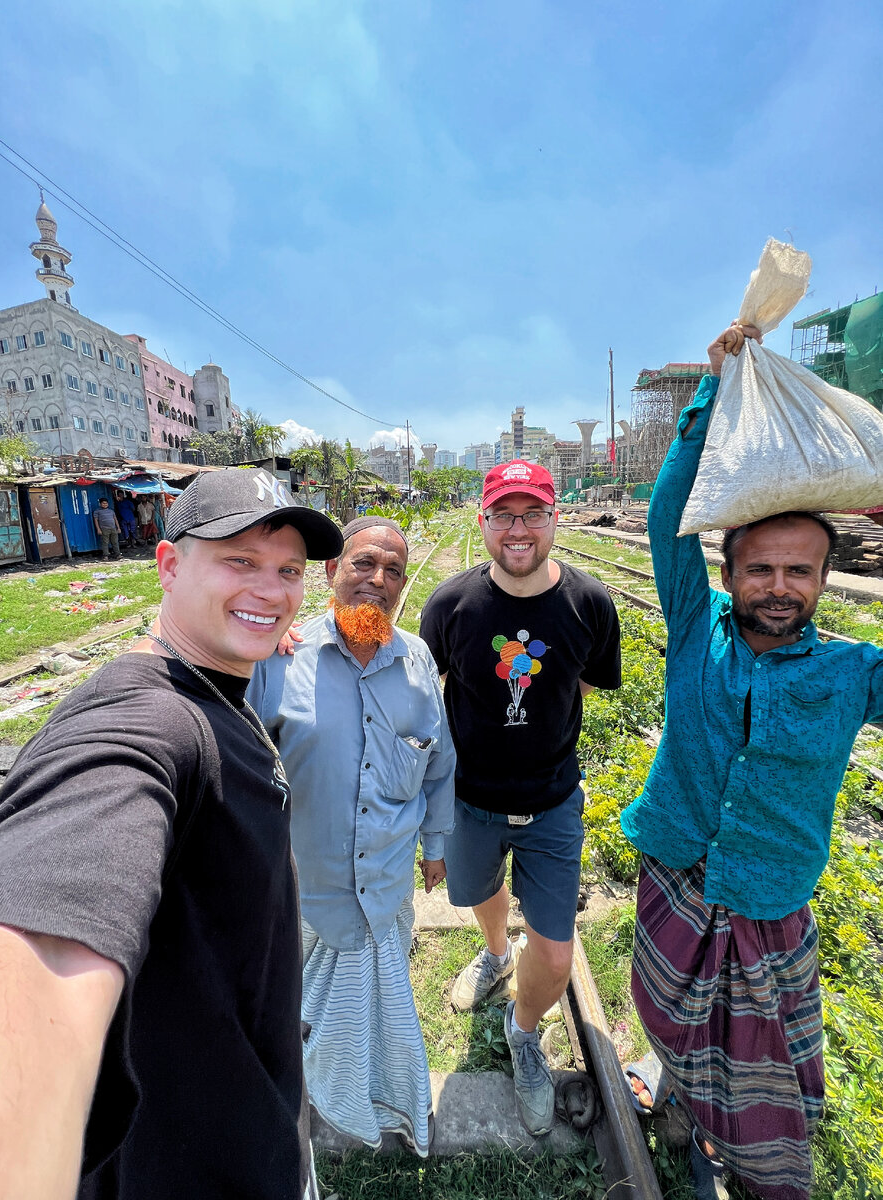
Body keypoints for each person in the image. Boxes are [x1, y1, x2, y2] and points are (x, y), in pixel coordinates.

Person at [0, 467, 343, 1199]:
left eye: (288, 571)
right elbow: (43, 936)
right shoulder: (148, 721)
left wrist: (250, 625)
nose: (271, 591)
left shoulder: (212, 684)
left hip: (247, 1123)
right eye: (239, 562)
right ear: (169, 566)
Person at [620, 324, 883, 1200]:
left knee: (757, 1067)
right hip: (678, 876)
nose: (779, 586)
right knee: (671, 1019)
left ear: (823, 579)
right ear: (728, 575)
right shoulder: (698, 634)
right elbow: (668, 518)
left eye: (799, 571)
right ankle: (687, 1111)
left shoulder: (855, 671)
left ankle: (735, 1150)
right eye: (760, 568)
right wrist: (711, 393)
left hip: (770, 904)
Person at [419, 462, 621, 1135]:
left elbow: (582, 685)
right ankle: (497, 953)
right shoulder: (449, 606)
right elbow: (425, 689)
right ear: (483, 522)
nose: (518, 529)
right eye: (503, 514)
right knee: (480, 893)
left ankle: (524, 1031)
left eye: (532, 513)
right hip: (471, 800)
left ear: (555, 518)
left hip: (554, 802)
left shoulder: (591, 603)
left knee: (557, 955)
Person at [249, 516, 455, 1157]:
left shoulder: (418, 661)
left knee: (381, 1006)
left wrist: (437, 847)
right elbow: (241, 763)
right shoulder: (280, 658)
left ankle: (373, 1102)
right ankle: (309, 1100)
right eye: (364, 563)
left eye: (394, 570)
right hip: (307, 889)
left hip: (387, 886)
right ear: (332, 571)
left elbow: (439, 761)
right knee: (298, 1009)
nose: (380, 580)